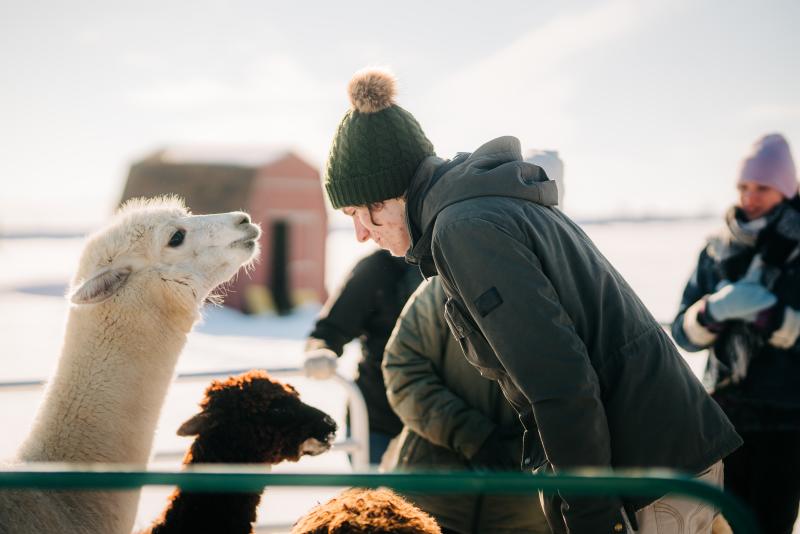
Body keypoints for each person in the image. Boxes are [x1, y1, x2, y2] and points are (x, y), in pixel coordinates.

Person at [322, 67, 742, 534]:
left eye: (360, 212)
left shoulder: (464, 228)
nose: (360, 234)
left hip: (642, 473)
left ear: (390, 193)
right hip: (660, 458)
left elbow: (559, 379)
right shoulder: (487, 207)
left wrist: (590, 513)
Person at [672, 133, 800, 534]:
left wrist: (775, 317)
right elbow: (683, 332)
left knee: (770, 524)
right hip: (723, 419)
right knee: (719, 524)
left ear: (786, 189)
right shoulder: (716, 250)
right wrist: (712, 310)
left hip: (786, 420)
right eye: (744, 186)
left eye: (762, 187)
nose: (750, 196)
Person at [382, 277, 551, 534]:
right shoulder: (440, 289)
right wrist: (472, 435)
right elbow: (403, 372)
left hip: (524, 508)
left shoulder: (556, 293)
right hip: (431, 503)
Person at [304, 248, 421, 465]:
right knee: (374, 497)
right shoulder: (378, 269)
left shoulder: (457, 262)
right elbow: (329, 330)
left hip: (447, 425)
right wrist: (320, 352)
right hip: (379, 422)